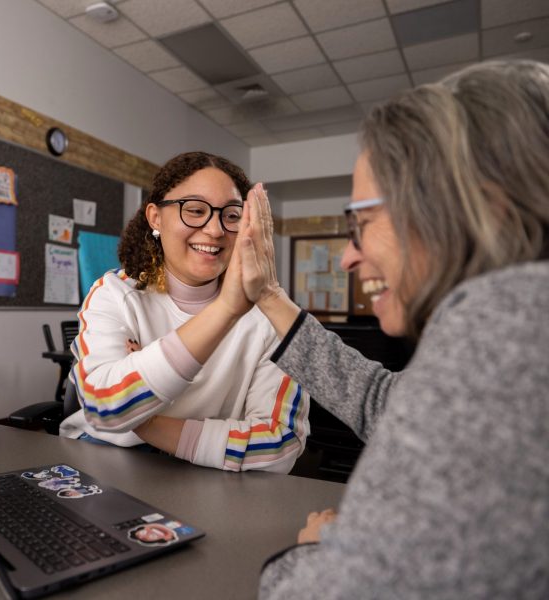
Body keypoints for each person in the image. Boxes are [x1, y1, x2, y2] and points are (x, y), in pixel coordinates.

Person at [230, 60, 548, 598]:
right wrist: (268, 295)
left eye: (362, 224)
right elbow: (387, 401)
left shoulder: (509, 331)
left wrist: (313, 552)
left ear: (475, 210)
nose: (349, 256)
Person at [59, 152, 309, 473]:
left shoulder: (270, 314)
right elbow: (102, 408)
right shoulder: (115, 294)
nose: (215, 229)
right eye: (194, 210)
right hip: (103, 459)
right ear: (155, 218)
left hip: (205, 471)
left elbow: (281, 444)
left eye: (231, 215)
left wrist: (145, 419)